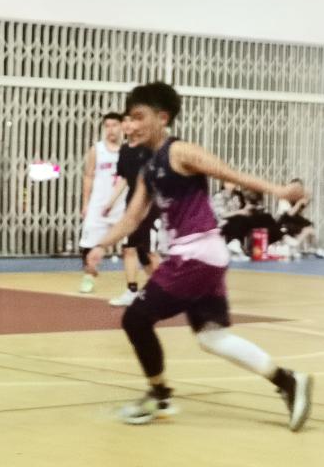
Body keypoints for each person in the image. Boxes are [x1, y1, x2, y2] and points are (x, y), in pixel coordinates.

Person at [86, 82, 312, 430]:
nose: (131, 125)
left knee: (136, 319)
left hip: (195, 254)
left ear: (163, 118)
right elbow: (132, 217)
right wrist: (101, 246)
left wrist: (279, 190)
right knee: (211, 337)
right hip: (202, 256)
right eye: (129, 118)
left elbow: (229, 173)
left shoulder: (180, 152)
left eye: (139, 117)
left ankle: (159, 396)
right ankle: (289, 382)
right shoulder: (148, 168)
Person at [103, 114, 161, 307]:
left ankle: (166, 291)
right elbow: (124, 179)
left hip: (151, 205)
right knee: (129, 248)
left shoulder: (149, 148)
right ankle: (132, 290)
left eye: (131, 120)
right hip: (131, 206)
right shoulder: (125, 150)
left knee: (148, 252)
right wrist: (111, 202)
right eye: (125, 121)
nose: (128, 124)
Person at [78, 112, 125, 293]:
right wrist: (85, 203)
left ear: (122, 127)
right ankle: (88, 276)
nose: (111, 129)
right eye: (107, 126)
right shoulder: (97, 150)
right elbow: (88, 176)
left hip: (121, 207)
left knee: (131, 248)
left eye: (114, 125)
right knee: (88, 244)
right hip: (98, 206)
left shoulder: (128, 150)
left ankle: (133, 285)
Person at [276, 178, 323, 258]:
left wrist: (305, 202)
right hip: (283, 222)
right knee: (307, 228)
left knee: (310, 227)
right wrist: (300, 202)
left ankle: (312, 249)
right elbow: (290, 214)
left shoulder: (297, 199)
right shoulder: (284, 199)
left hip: (293, 221)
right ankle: (295, 245)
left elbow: (298, 214)